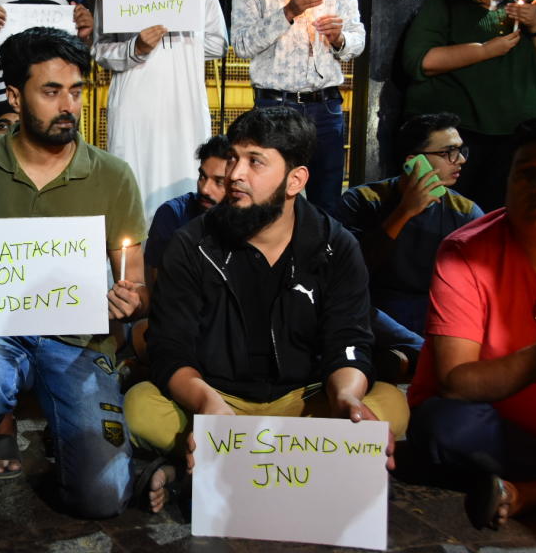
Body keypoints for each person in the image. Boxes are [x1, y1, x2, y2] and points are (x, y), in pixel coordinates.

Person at [124, 106, 408, 513]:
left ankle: (198, 470)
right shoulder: (192, 243)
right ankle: (305, 468)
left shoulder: (336, 246)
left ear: (295, 180)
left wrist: (347, 398)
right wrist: (207, 403)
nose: (236, 173)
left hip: (306, 399)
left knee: (391, 407)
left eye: (255, 161)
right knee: (139, 408)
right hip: (217, 397)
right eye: (235, 157)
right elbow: (171, 349)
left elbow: (348, 340)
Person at [0, 28, 148, 518]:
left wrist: (132, 300)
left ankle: (65, 433)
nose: (69, 105)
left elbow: (137, 283)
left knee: (102, 499)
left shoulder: (113, 174)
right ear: (15, 97)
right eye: (51, 91)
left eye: (77, 90)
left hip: (79, 341)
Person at [406, 119, 536, 530]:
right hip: (495, 429)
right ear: (508, 180)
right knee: (445, 425)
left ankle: (524, 493)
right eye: (527, 175)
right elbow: (457, 381)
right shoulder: (466, 250)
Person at [93, 0, 228, 221]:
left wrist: (184, 45)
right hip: (134, 108)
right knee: (133, 191)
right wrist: (135, 49)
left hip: (184, 106)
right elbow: (99, 50)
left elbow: (218, 44)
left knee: (186, 183)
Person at [402, 0, 536, 213]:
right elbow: (420, 61)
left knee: (498, 217)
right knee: (451, 216)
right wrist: (486, 50)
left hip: (514, 136)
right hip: (460, 138)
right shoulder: (448, 3)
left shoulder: (524, 4)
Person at [231, 0, 364, 215]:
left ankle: (320, 262)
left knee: (328, 205)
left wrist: (340, 39)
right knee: (269, 202)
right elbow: (240, 44)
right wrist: (288, 11)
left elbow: (358, 39)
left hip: (326, 107)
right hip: (274, 109)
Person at [337, 113, 484, 381]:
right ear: (413, 162)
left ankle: (409, 358)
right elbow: (348, 273)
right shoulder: (362, 200)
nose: (460, 160)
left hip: (433, 311)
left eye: (461, 150)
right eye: (448, 152)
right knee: (345, 305)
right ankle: (426, 358)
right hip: (376, 309)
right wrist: (404, 212)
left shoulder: (466, 213)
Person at [145, 134, 228, 284]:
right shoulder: (172, 215)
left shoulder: (245, 221)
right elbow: (157, 286)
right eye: (202, 176)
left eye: (219, 182)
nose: (205, 189)